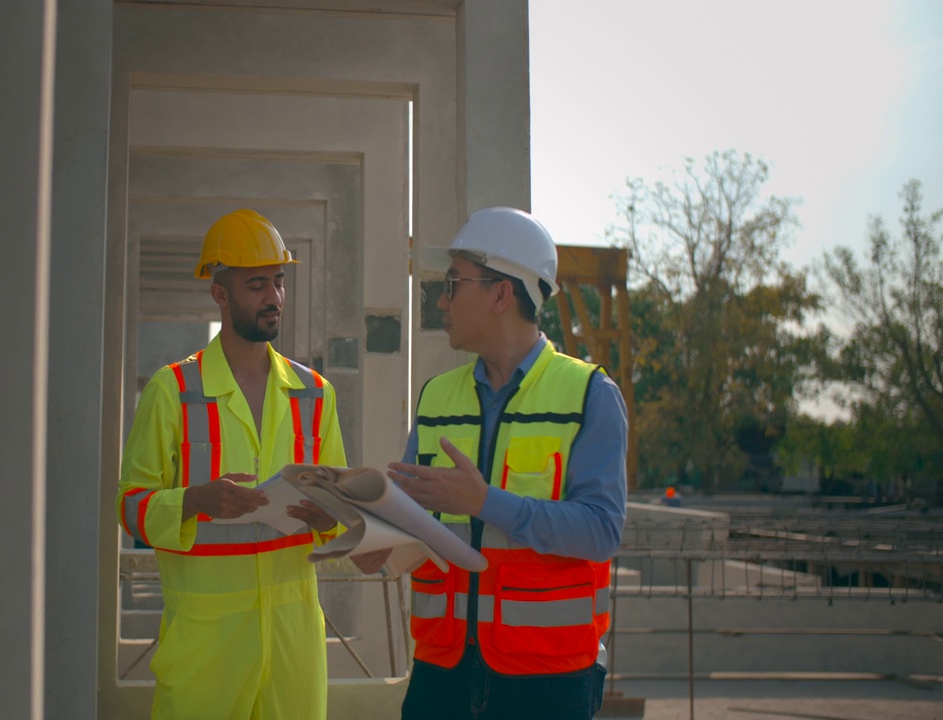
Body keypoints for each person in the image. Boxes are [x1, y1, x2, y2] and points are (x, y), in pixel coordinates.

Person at [368, 207, 628, 719]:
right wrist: (366, 537)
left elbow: (602, 530)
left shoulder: (590, 396)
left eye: (453, 284)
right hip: (441, 673)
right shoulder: (436, 397)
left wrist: (486, 502)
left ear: (501, 294)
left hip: (548, 682)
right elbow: (416, 523)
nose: (442, 301)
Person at [117, 209, 346, 719]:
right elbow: (130, 507)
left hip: (293, 641)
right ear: (220, 294)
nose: (275, 298)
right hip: (207, 644)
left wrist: (330, 519)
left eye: (280, 281)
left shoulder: (315, 394)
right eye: (257, 285)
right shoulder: (172, 390)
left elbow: (341, 509)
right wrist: (195, 500)